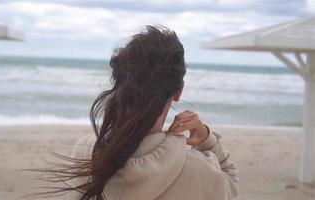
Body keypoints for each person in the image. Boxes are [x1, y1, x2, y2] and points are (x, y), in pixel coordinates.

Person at [63, 25, 239, 200]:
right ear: (178, 92)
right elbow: (232, 190)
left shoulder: (86, 151)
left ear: (119, 85)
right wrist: (209, 142)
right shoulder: (199, 170)